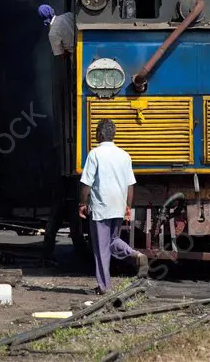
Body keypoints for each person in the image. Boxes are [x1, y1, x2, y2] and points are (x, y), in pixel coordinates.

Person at [79, 119, 148, 294]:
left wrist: (81, 203)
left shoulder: (95, 154)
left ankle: (104, 287)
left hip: (101, 206)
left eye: (96, 131)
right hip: (118, 204)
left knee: (101, 248)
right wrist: (127, 205)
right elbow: (130, 184)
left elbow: (86, 183)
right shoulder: (124, 155)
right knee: (112, 240)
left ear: (100, 134)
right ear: (113, 135)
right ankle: (136, 255)